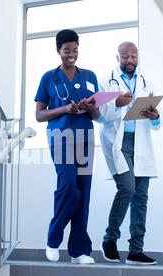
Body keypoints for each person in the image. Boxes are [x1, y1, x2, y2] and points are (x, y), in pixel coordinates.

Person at [35, 29, 100, 264]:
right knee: (68, 188)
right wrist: (64, 109)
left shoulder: (90, 76)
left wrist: (91, 106)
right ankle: (53, 240)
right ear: (58, 51)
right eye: (66, 51)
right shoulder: (48, 78)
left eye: (74, 50)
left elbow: (95, 114)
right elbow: (39, 115)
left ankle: (79, 250)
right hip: (61, 138)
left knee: (83, 193)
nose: (71, 55)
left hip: (85, 138)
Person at [97, 42, 162, 265]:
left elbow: (157, 124)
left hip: (141, 143)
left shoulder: (146, 83)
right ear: (118, 58)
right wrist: (115, 102)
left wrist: (155, 116)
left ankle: (135, 251)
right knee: (127, 187)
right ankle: (109, 240)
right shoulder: (106, 81)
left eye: (134, 55)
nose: (130, 60)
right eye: (125, 56)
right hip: (118, 142)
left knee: (141, 197)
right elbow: (97, 114)